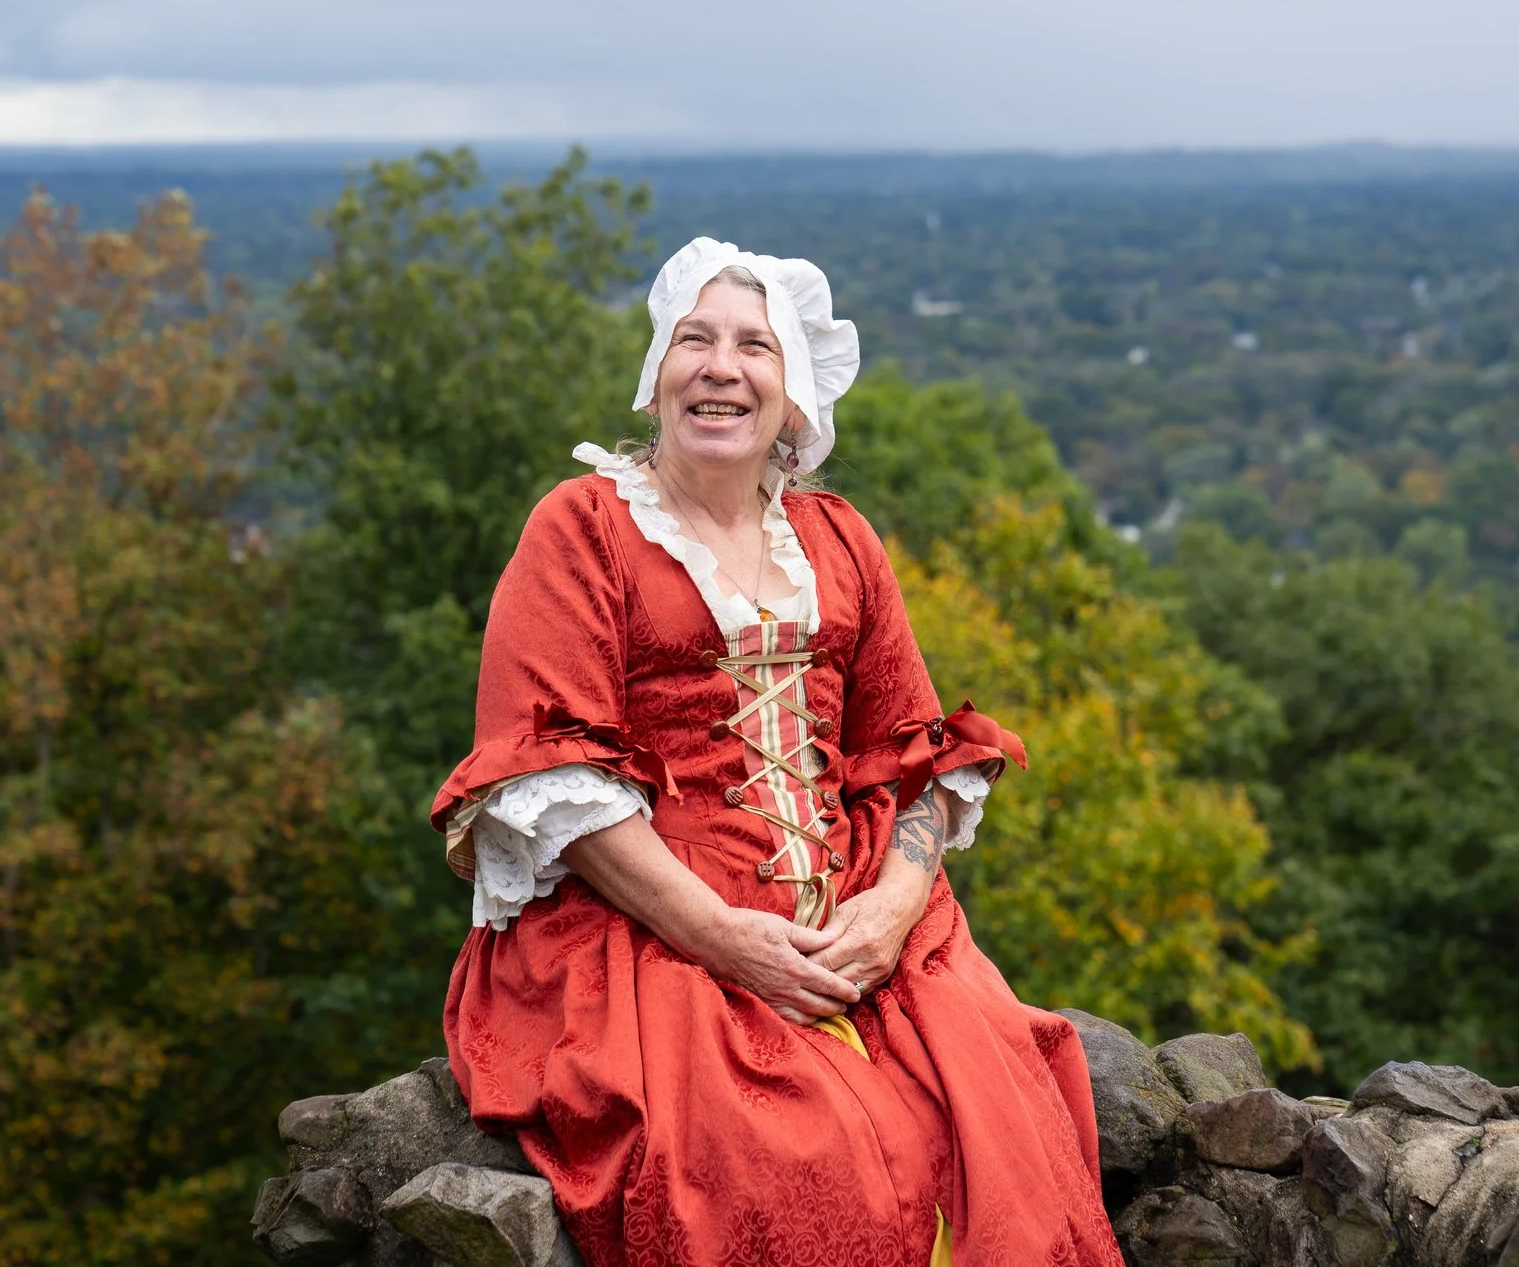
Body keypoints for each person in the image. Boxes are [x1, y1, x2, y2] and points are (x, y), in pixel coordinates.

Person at [432, 237, 1125, 1267]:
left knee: (1002, 1127)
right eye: (693, 340)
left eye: (754, 346)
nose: (721, 366)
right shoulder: (580, 531)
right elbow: (548, 777)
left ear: (793, 393)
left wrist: (891, 910)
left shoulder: (839, 540)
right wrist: (724, 937)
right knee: (788, 1162)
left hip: (857, 919)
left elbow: (921, 763)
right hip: (647, 930)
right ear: (656, 375)